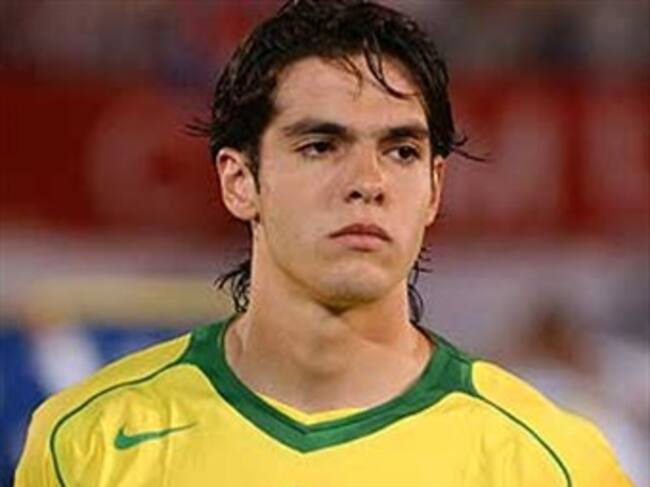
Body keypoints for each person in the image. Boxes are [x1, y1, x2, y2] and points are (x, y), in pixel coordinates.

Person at [15, 1, 632, 485]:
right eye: (320, 146)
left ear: (435, 189)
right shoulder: (89, 442)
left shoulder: (549, 464)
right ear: (239, 181)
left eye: (401, 151)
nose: (368, 182)